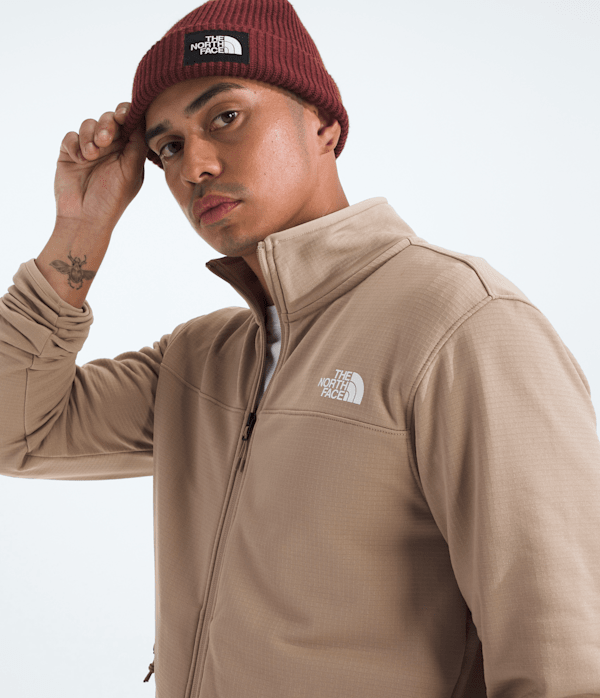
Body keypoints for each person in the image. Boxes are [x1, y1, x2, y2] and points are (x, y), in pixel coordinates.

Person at [1, 0, 599, 695]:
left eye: (225, 116)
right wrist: (82, 228)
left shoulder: (462, 323)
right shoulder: (199, 361)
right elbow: (17, 429)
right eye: (168, 148)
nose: (194, 166)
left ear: (324, 125)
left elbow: (563, 658)